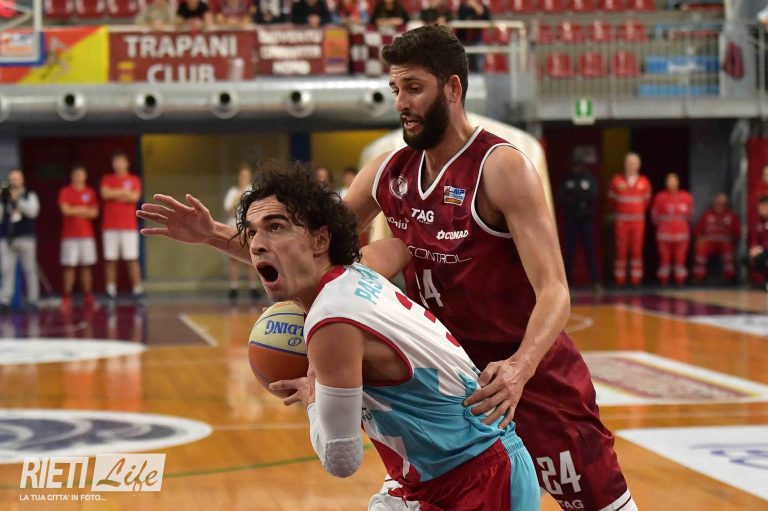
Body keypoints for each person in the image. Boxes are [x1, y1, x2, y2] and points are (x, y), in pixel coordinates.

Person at [138, 26, 637, 511]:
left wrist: (520, 368)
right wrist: (210, 234)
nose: (401, 102)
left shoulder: (501, 168)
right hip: (444, 395)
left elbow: (555, 291)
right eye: (396, 89)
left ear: (453, 88)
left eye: (414, 88)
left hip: (528, 377)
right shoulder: (387, 172)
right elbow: (306, 251)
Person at [230, 161, 544, 508]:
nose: (256, 245)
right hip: (448, 469)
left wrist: (312, 397)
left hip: (476, 482)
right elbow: (400, 247)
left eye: (275, 227)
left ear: (320, 240)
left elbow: (341, 458)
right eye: (252, 232)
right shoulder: (357, 272)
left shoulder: (331, 319)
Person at [100, 152, 144, 303]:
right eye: (116, 161)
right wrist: (124, 192)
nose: (119, 164)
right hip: (110, 226)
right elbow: (105, 194)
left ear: (127, 163)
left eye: (121, 161)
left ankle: (137, 289)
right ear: (113, 164)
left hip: (128, 226)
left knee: (132, 258)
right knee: (110, 259)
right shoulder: (107, 179)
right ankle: (110, 290)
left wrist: (115, 194)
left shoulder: (134, 180)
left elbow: (134, 197)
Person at [58, 165, 99, 314]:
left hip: (86, 235)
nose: (79, 177)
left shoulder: (90, 192)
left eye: (81, 174)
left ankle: (88, 296)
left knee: (86, 266)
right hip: (69, 236)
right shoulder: (65, 191)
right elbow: (65, 210)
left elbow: (94, 213)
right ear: (72, 176)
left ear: (85, 176)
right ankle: (66, 297)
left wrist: (75, 210)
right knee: (69, 266)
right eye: (76, 174)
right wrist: (83, 209)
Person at [608, 152, 651, 287]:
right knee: (621, 250)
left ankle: (636, 280)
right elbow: (611, 200)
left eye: (634, 163)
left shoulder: (644, 182)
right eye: (629, 163)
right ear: (625, 164)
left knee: (636, 250)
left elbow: (646, 202)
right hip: (622, 222)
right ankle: (620, 280)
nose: (631, 165)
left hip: (638, 222)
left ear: (639, 165)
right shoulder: (616, 181)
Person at [0, 169, 40, 312]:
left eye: (16, 179)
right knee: (6, 270)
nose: (14, 182)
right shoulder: (4, 196)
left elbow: (33, 212)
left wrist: (18, 200)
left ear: (22, 180)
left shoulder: (29, 194)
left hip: (26, 237)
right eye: (12, 179)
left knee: (29, 270)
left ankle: (32, 300)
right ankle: (5, 301)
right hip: (7, 238)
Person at [556, 156, 599, 288]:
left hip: (586, 219)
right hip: (571, 219)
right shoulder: (568, 180)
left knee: (590, 250)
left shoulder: (589, 179)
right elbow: (561, 197)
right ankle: (567, 282)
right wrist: (578, 201)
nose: (576, 168)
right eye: (575, 165)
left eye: (579, 165)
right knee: (570, 250)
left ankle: (595, 281)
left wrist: (577, 199)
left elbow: (593, 196)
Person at [223, 163, 261, 302]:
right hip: (233, 227)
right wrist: (240, 193)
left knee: (250, 258)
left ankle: (253, 287)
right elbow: (229, 209)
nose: (244, 178)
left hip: (248, 227)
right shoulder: (233, 192)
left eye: (246, 176)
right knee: (233, 258)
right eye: (242, 176)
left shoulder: (252, 191)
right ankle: (234, 287)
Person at [650, 173, 693, 287]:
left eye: (674, 181)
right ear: (666, 183)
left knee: (680, 259)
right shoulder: (660, 197)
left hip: (681, 235)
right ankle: (664, 281)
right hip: (664, 235)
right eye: (669, 181)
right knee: (665, 260)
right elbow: (654, 216)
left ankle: (680, 281)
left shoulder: (686, 197)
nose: (671, 183)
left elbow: (689, 215)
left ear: (678, 182)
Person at [693, 192, 741, 283]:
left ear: (727, 204)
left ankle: (730, 277)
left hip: (725, 243)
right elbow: (698, 231)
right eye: (718, 203)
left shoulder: (731, 216)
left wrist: (732, 240)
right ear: (714, 203)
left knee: (728, 251)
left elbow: (737, 233)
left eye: (723, 204)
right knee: (701, 248)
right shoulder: (707, 215)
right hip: (709, 242)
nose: (720, 206)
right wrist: (700, 239)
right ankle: (699, 276)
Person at [456, 0, 490, 72]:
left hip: (477, 39)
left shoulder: (481, 6)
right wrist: (469, 7)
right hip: (464, 39)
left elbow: (488, 19)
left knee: (480, 50)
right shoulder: (463, 7)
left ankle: (480, 74)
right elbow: (461, 19)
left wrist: (478, 9)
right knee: (462, 61)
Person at [749, 196, 768, 288]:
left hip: (765, 250)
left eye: (764, 207)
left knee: (764, 257)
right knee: (747, 258)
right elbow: (754, 239)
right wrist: (753, 249)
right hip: (762, 251)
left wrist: (761, 249)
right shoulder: (757, 222)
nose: (761, 210)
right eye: (760, 207)